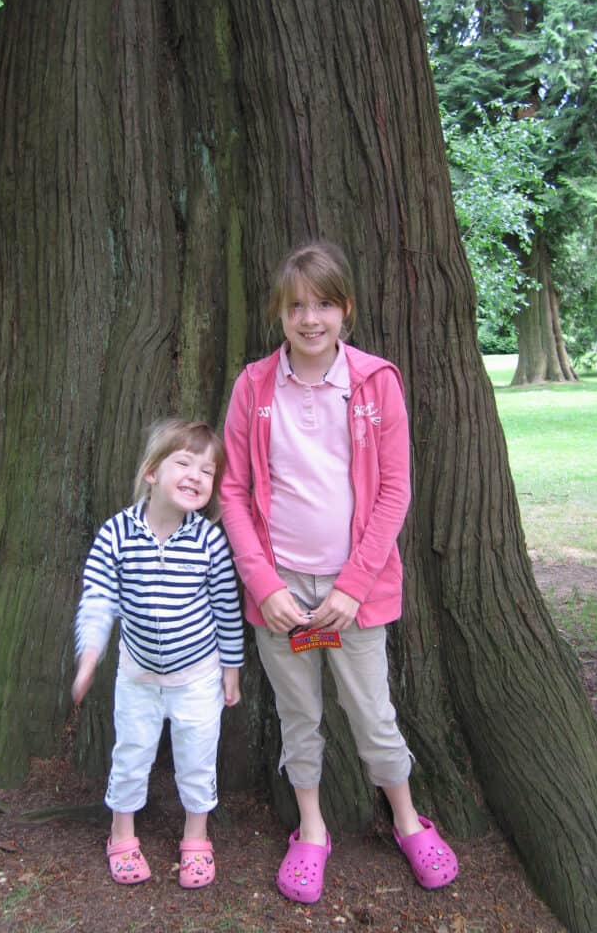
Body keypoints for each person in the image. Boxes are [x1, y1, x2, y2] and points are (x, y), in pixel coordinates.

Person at [221, 240, 458, 903]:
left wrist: (354, 588)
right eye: (297, 306)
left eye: (323, 303)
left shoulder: (376, 382)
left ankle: (409, 821)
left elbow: (394, 492)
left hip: (356, 593)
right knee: (299, 718)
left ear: (345, 308)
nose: (310, 318)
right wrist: (263, 586)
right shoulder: (253, 387)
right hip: (282, 597)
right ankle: (312, 831)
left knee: (373, 714)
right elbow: (233, 491)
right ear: (280, 314)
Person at [72, 419, 244, 888]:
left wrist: (232, 669)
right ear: (151, 472)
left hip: (197, 678)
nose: (195, 476)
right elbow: (99, 596)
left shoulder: (209, 540)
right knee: (131, 755)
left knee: (197, 758)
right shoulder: (116, 534)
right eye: (183, 463)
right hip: (137, 677)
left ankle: (196, 838)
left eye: (207, 471)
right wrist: (90, 655)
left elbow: (227, 608)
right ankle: (121, 833)